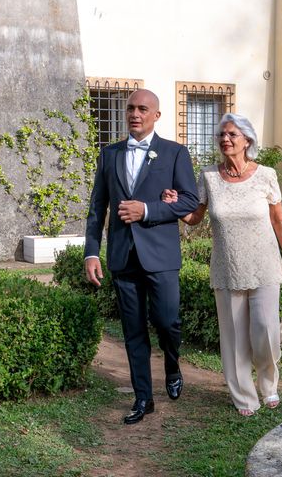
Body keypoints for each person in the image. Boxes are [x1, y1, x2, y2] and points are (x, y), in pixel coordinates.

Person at [162, 113, 282, 416]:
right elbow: (195, 217)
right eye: (222, 135)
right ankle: (244, 397)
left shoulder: (266, 175)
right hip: (227, 267)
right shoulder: (209, 176)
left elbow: (278, 219)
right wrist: (175, 205)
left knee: (265, 332)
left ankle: (269, 385)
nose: (225, 139)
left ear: (247, 140)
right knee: (234, 338)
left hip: (264, 265)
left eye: (232, 134)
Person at [84, 89, 199, 425]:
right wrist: (92, 252)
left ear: (156, 115)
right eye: (131, 108)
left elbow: (189, 201)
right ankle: (143, 398)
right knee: (133, 332)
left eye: (142, 109)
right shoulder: (109, 155)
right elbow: (96, 209)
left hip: (161, 256)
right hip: (123, 257)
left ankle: (173, 365)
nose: (135, 114)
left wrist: (147, 209)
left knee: (167, 322)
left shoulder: (175, 153)